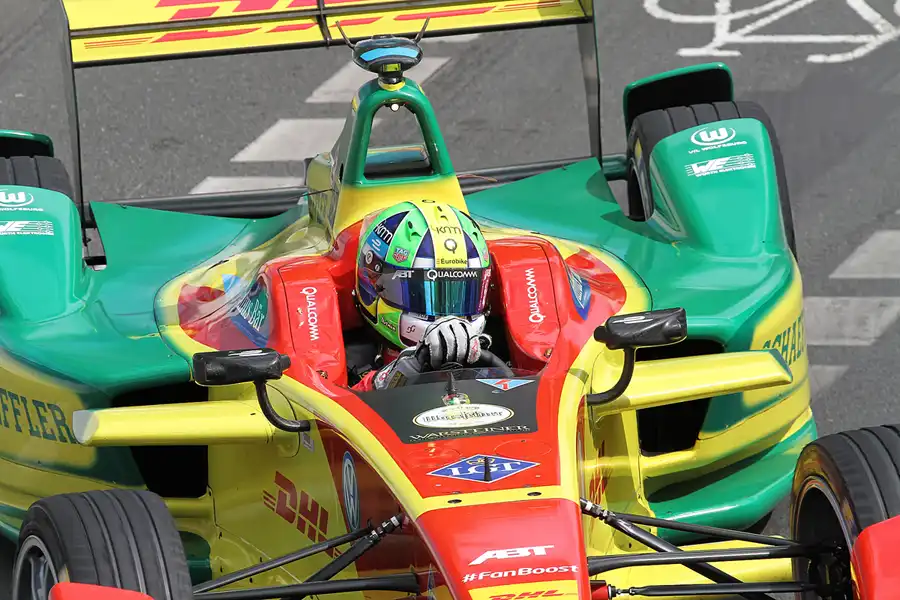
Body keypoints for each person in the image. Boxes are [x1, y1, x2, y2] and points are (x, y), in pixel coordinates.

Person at [351, 199, 493, 391]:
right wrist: (384, 380)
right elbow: (334, 400)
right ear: (373, 283)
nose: (446, 319)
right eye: (419, 294)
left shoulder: (493, 348)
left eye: (460, 295)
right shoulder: (350, 357)